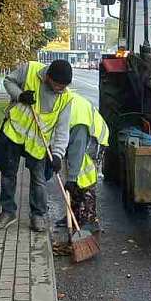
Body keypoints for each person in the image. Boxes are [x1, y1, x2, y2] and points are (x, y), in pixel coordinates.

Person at [0, 59, 74, 232]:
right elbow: (8, 81)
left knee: (39, 179)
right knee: (8, 173)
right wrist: (20, 96)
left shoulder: (66, 98)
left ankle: (38, 215)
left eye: (64, 86)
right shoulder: (30, 70)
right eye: (58, 85)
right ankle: (7, 212)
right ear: (48, 77)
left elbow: (62, 130)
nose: (61, 90)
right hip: (15, 132)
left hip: (38, 143)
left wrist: (57, 154)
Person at [55, 93, 109, 234]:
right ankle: (73, 215)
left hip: (93, 139)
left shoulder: (77, 118)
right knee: (71, 174)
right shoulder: (59, 102)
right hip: (76, 137)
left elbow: (77, 149)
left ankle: (90, 220)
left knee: (83, 177)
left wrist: (72, 178)